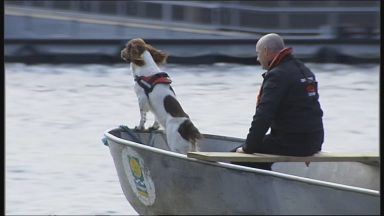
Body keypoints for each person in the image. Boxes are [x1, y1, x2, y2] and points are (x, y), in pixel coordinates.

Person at [232, 33, 324, 170]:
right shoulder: (303, 69)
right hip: (314, 141)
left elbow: (263, 116)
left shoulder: (278, 75)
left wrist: (247, 148)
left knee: (235, 158)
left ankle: (258, 190)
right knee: (262, 150)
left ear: (266, 52)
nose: (258, 58)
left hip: (292, 142)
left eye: (258, 53)